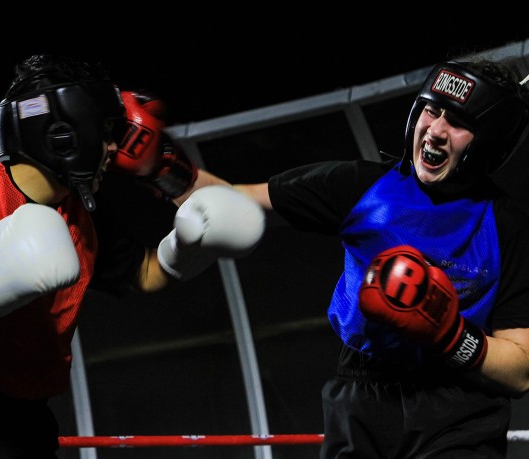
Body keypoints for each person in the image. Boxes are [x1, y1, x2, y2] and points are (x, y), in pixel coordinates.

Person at [0, 54, 265, 458]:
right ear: (62, 135)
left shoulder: (83, 210)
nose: (113, 148)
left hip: (28, 424)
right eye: (104, 133)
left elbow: (145, 272)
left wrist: (190, 243)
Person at [177, 58, 529, 457]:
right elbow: (233, 203)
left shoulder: (507, 227)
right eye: (432, 110)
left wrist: (448, 334)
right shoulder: (363, 188)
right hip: (361, 397)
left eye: (459, 123)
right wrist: (161, 167)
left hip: (459, 409)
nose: (435, 131)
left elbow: (519, 372)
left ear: (488, 141)